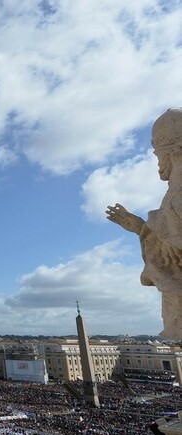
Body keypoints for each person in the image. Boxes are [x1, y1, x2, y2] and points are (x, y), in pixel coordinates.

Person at [108, 107, 182, 338]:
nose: (157, 160)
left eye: (157, 152)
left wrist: (144, 229)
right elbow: (172, 242)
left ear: (170, 150)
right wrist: (140, 227)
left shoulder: (176, 196)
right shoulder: (173, 194)